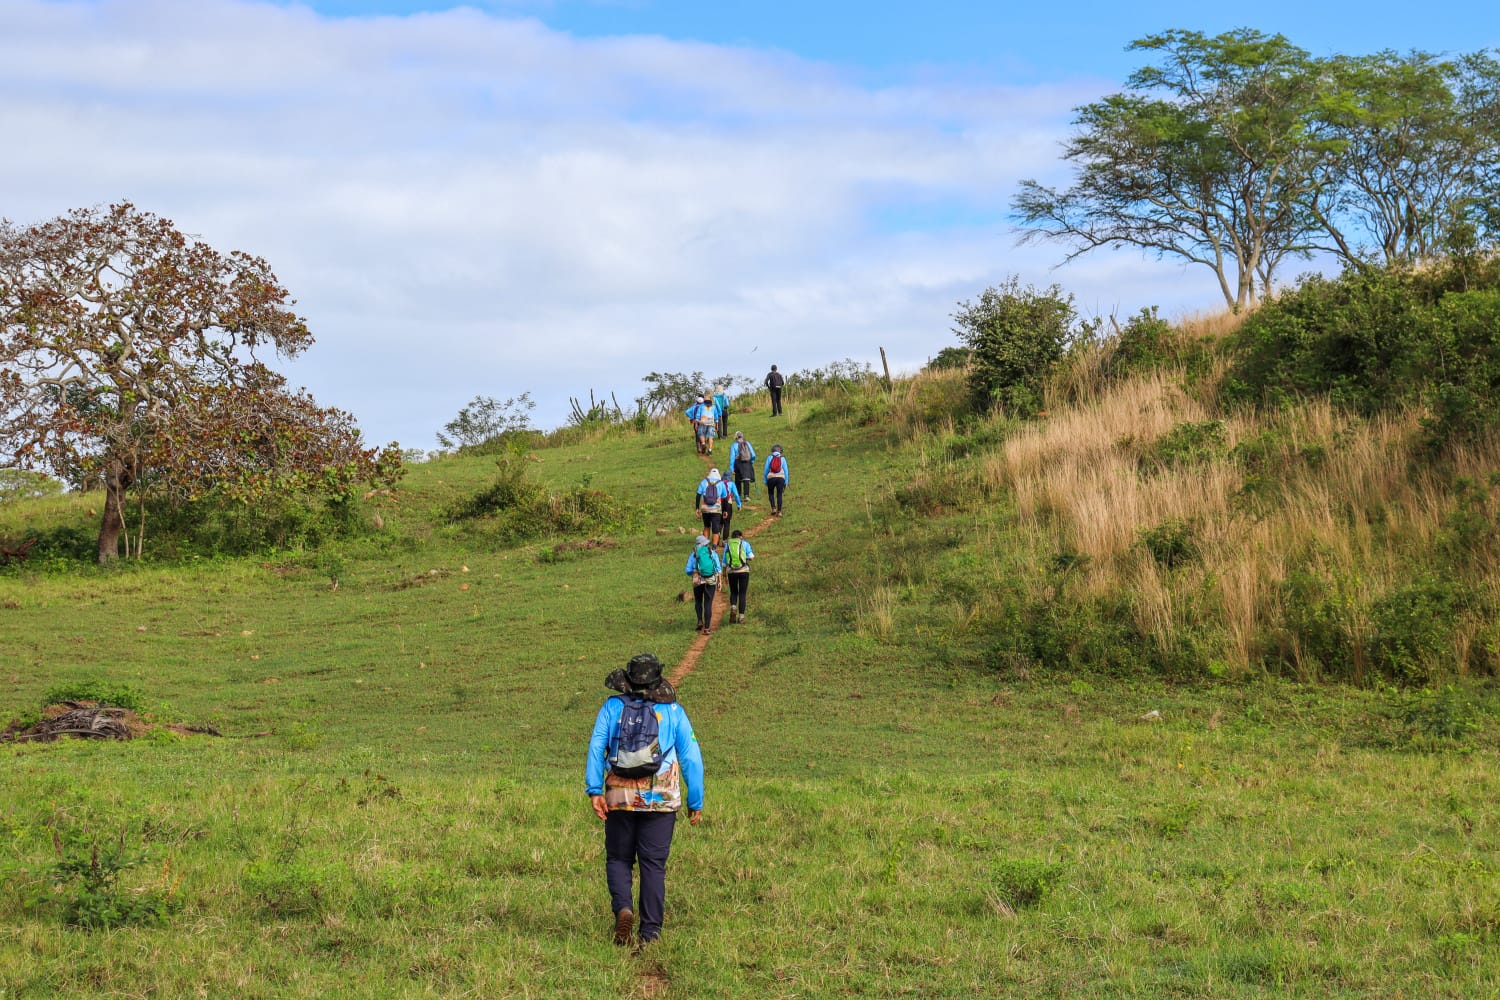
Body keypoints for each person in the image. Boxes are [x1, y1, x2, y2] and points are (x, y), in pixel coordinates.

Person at [586, 653, 705, 948]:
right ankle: (650, 933)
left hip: (619, 796)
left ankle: (623, 909)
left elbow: (596, 747)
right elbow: (691, 756)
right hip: (661, 799)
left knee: (618, 858)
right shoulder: (673, 710)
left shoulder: (612, 707)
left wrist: (595, 790)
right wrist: (696, 799)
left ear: (628, 679)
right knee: (653, 865)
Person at [685, 534, 722, 635]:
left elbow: (687, 570)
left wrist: (695, 572)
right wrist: (719, 581)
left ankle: (699, 620)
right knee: (708, 603)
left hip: (697, 580)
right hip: (710, 579)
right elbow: (718, 568)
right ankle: (707, 628)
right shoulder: (712, 552)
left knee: (698, 600)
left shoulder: (693, 554)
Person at [723, 529, 755, 624]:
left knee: (733, 591)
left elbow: (724, 561)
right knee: (742, 593)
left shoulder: (728, 544)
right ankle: (741, 618)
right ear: (741, 536)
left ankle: (733, 607)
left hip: (731, 571)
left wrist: (724, 574)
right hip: (743, 571)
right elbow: (752, 557)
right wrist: (745, 558)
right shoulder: (745, 543)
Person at [695, 468, 730, 546]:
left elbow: (698, 495)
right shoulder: (721, 483)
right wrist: (725, 510)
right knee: (715, 529)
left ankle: (705, 545)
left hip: (705, 509)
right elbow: (725, 498)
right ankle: (714, 547)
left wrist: (697, 508)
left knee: (706, 526)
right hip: (716, 510)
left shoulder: (704, 482)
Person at [729, 432, 756, 502]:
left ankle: (738, 495)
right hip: (747, 463)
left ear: (736, 437)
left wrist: (731, 468)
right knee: (746, 479)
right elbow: (753, 455)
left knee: (738, 480)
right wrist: (751, 462)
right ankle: (746, 496)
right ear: (742, 436)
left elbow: (732, 458)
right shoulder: (747, 443)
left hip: (738, 463)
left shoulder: (734, 445)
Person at [764, 443, 789, 516]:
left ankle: (773, 508)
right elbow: (786, 471)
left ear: (772, 450)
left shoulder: (769, 457)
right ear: (780, 451)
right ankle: (779, 511)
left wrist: (765, 480)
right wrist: (786, 481)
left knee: (771, 493)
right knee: (779, 494)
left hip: (771, 478)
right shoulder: (782, 458)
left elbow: (766, 470)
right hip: (781, 478)